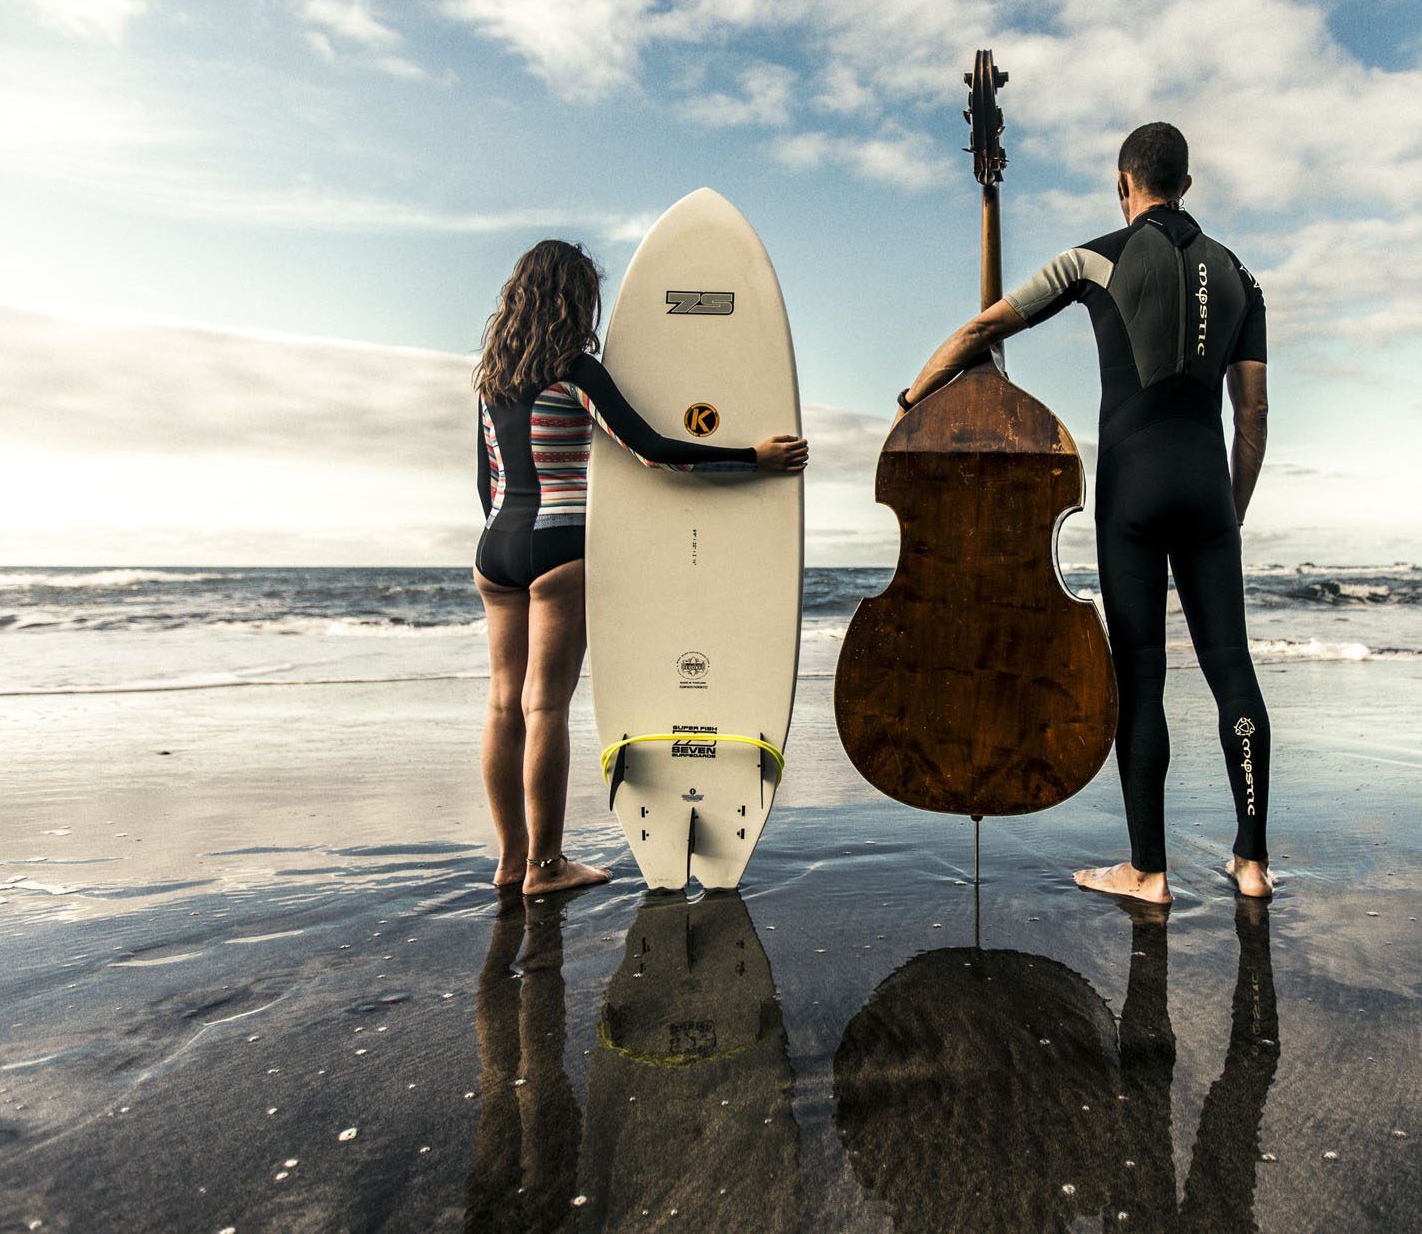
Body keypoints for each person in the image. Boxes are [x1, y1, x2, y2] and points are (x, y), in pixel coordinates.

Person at [898, 122, 1272, 904]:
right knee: (1230, 669)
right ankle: (1252, 864)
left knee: (1141, 677)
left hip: (1131, 492)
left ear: (1122, 182)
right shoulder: (1241, 277)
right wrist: (1228, 513)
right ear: (1188, 185)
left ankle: (1148, 869)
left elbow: (983, 328)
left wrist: (913, 397)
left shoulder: (1091, 257)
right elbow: (1254, 415)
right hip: (1207, 488)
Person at [472, 240, 808, 895]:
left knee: (501, 704)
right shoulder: (573, 370)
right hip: (557, 544)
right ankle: (545, 867)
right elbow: (652, 451)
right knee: (544, 705)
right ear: (574, 300)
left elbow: (485, 481)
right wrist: (754, 457)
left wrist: (510, 535)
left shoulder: (492, 380)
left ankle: (510, 860)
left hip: (495, 549)